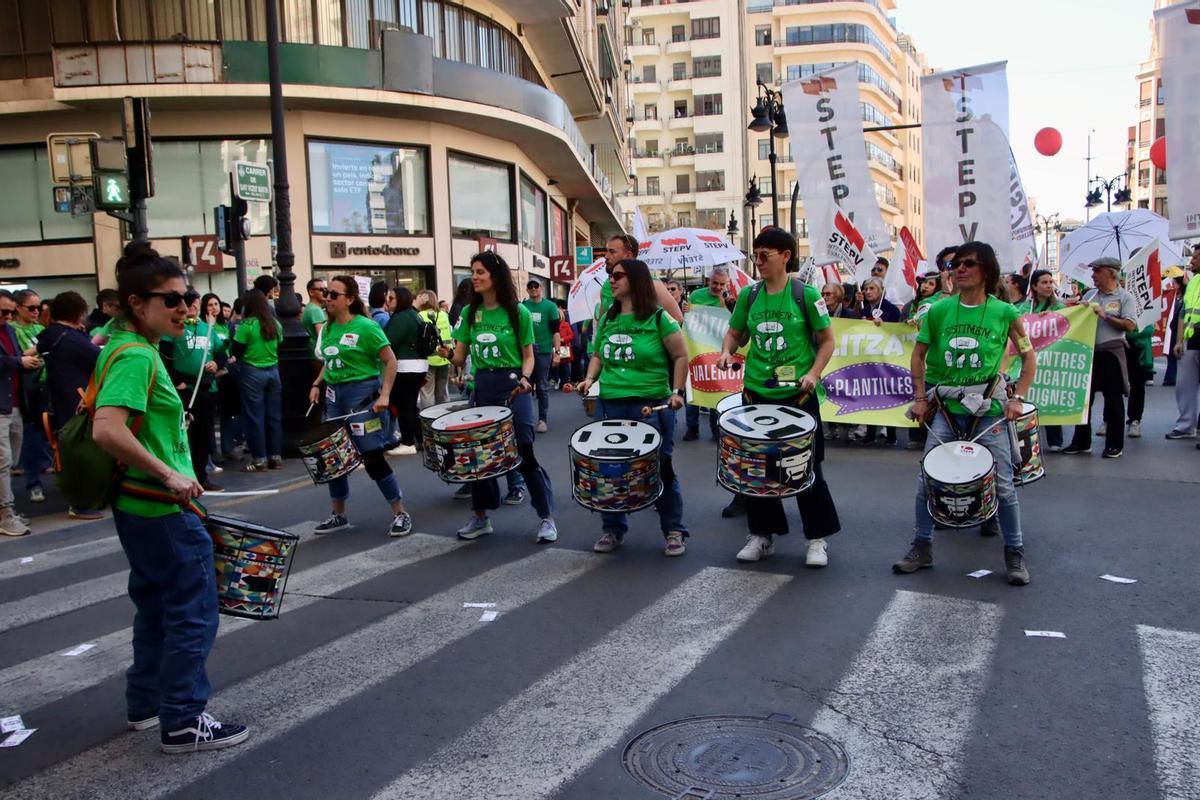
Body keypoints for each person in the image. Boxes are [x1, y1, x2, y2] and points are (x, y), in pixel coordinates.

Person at [90, 242, 248, 753]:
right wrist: (169, 474)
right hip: (159, 506)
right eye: (172, 299)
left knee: (157, 608)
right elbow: (106, 429)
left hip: (139, 506)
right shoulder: (137, 356)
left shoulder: (124, 345)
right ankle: (183, 717)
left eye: (189, 298)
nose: (186, 308)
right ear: (137, 303)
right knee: (193, 611)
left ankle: (147, 703)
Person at [894, 241, 1035, 586]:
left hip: (989, 410)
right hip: (946, 409)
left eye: (969, 263)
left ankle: (1014, 552)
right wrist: (920, 398)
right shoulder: (939, 311)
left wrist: (1018, 398)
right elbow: (918, 355)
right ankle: (922, 547)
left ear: (986, 270)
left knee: (1003, 484)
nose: (960, 269)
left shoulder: (1005, 312)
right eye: (956, 264)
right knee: (927, 480)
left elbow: (1028, 356)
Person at [716, 228, 841, 568]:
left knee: (806, 467)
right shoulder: (749, 295)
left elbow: (827, 340)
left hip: (797, 397)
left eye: (765, 255)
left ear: (786, 256)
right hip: (757, 394)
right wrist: (727, 350)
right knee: (758, 468)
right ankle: (762, 534)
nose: (758, 262)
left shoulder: (806, 295)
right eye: (755, 255)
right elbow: (735, 333)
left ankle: (816, 539)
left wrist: (813, 373)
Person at [577, 258, 689, 556]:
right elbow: (598, 355)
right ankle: (613, 529)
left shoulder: (659, 318)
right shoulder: (608, 318)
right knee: (610, 470)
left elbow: (681, 355)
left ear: (636, 281)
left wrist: (677, 392)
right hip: (610, 404)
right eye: (611, 276)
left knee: (660, 468)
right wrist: (589, 379)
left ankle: (674, 530)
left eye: (618, 276)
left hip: (650, 405)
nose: (611, 280)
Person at [451, 251, 557, 543]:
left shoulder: (518, 312)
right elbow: (459, 357)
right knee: (479, 455)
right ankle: (481, 517)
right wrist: (445, 353)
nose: (474, 277)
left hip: (513, 385)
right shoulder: (470, 313)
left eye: (480, 272)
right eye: (473, 272)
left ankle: (546, 517)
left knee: (524, 451)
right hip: (483, 385)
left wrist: (525, 378)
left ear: (496, 276)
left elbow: (528, 356)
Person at [306, 277, 411, 536]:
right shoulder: (328, 328)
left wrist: (384, 395)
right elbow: (330, 361)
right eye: (326, 293)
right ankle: (338, 514)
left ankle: (400, 512)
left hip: (362, 396)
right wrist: (317, 384)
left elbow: (390, 361)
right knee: (334, 459)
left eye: (334, 294)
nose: (327, 298)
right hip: (335, 398)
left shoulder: (367, 327)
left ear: (350, 299)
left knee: (372, 456)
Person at [1061, 257, 1137, 458]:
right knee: (1084, 399)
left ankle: (1114, 445)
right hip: (1088, 352)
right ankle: (1081, 442)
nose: (1093, 275)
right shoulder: (1091, 294)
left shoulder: (1124, 297)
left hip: (1111, 351)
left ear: (1111, 273)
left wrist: (1105, 315)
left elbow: (1130, 325)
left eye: (1097, 271)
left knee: (1113, 400)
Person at [159, 291, 222, 492]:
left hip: (207, 388)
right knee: (187, 435)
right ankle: (186, 475)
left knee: (204, 434)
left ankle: (201, 477)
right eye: (191, 304)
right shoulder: (175, 328)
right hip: (186, 389)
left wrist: (216, 363)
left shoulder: (206, 328)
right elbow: (164, 355)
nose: (193, 308)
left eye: (196, 304)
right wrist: (176, 381)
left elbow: (221, 352)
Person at [0, 291, 39, 536]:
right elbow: (11, 360)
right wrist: (19, 362)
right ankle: (5, 513)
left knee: (12, 459)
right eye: (3, 311)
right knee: (3, 461)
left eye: (11, 311)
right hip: (2, 405)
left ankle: (6, 511)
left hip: (14, 403)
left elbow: (14, 359)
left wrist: (28, 363)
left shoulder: (10, 331)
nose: (8, 316)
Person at [232, 289, 283, 472]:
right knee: (273, 416)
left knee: (255, 417)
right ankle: (275, 457)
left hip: (252, 372)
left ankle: (259, 459)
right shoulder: (275, 324)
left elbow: (236, 350)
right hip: (273, 371)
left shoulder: (247, 325)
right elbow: (280, 344)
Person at [682, 267, 735, 442]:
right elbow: (688, 319)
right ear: (708, 281)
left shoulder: (729, 298)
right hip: (696, 349)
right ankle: (692, 428)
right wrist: (686, 310)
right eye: (715, 283)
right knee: (692, 388)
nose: (718, 287)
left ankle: (715, 428)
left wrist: (723, 303)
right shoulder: (696, 295)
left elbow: (733, 322)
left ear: (726, 284)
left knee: (715, 389)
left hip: (717, 350)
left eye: (722, 284)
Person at [1016, 269, 1065, 452]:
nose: (1049, 286)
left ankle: (1055, 440)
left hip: (1051, 358)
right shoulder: (1025, 307)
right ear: (1034, 286)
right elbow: (1017, 323)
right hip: (1029, 360)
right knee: (1028, 397)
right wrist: (1034, 319)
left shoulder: (1059, 306)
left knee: (1050, 395)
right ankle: (1027, 442)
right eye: (1044, 282)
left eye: (1051, 282)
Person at [850, 277, 901, 447]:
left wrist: (885, 326)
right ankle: (870, 433)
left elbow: (898, 330)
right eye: (866, 288)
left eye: (872, 288)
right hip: (868, 360)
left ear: (881, 290)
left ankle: (891, 435)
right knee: (870, 396)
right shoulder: (864, 309)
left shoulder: (891, 309)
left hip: (886, 360)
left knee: (888, 396)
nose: (868, 291)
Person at [13, 289, 51, 503]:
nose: (36, 311)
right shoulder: (12, 330)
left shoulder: (40, 328)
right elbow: (16, 356)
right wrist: (35, 351)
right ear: (19, 308)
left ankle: (45, 466)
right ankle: (33, 482)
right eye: (31, 308)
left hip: (46, 385)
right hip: (26, 389)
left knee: (46, 432)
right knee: (30, 436)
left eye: (39, 307)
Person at [598, 234, 683, 322]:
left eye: (612, 252)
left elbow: (677, 318)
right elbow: (601, 324)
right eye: (607, 251)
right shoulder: (607, 285)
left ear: (628, 255)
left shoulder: (651, 284)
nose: (606, 256)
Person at [383, 286, 426, 457]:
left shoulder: (400, 318)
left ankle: (408, 442)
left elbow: (387, 341)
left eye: (391, 298)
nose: (388, 301)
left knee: (403, 405)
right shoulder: (413, 315)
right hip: (418, 365)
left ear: (400, 299)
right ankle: (421, 438)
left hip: (405, 366)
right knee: (410, 405)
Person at [1168, 249, 1200, 441]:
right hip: (1191, 340)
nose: (1191, 261)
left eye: (1195, 257)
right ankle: (1186, 426)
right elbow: (1183, 313)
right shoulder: (1193, 282)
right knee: (1184, 386)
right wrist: (1179, 340)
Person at [521, 279, 561, 432]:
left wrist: (557, 353)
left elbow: (556, 332)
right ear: (527, 289)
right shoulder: (523, 306)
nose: (533, 289)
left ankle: (542, 419)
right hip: (525, 351)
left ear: (541, 288)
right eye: (530, 286)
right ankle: (527, 419)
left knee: (542, 386)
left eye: (536, 286)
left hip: (543, 351)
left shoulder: (550, 307)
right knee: (525, 385)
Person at [416, 289, 453, 408]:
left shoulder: (419, 316)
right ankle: (443, 415)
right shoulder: (444, 315)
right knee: (442, 393)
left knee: (427, 392)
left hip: (428, 360)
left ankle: (429, 416)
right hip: (444, 357)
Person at [301, 277, 327, 363]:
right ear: (311, 292)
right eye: (321, 289)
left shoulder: (309, 308)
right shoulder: (315, 310)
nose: (324, 292)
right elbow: (322, 335)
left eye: (325, 289)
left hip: (312, 353)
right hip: (318, 355)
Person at [553, 299, 573, 388]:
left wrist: (563, 339)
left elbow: (571, 336)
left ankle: (564, 382)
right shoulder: (552, 325)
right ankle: (557, 380)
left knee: (564, 367)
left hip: (564, 349)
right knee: (556, 367)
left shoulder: (566, 325)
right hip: (555, 349)